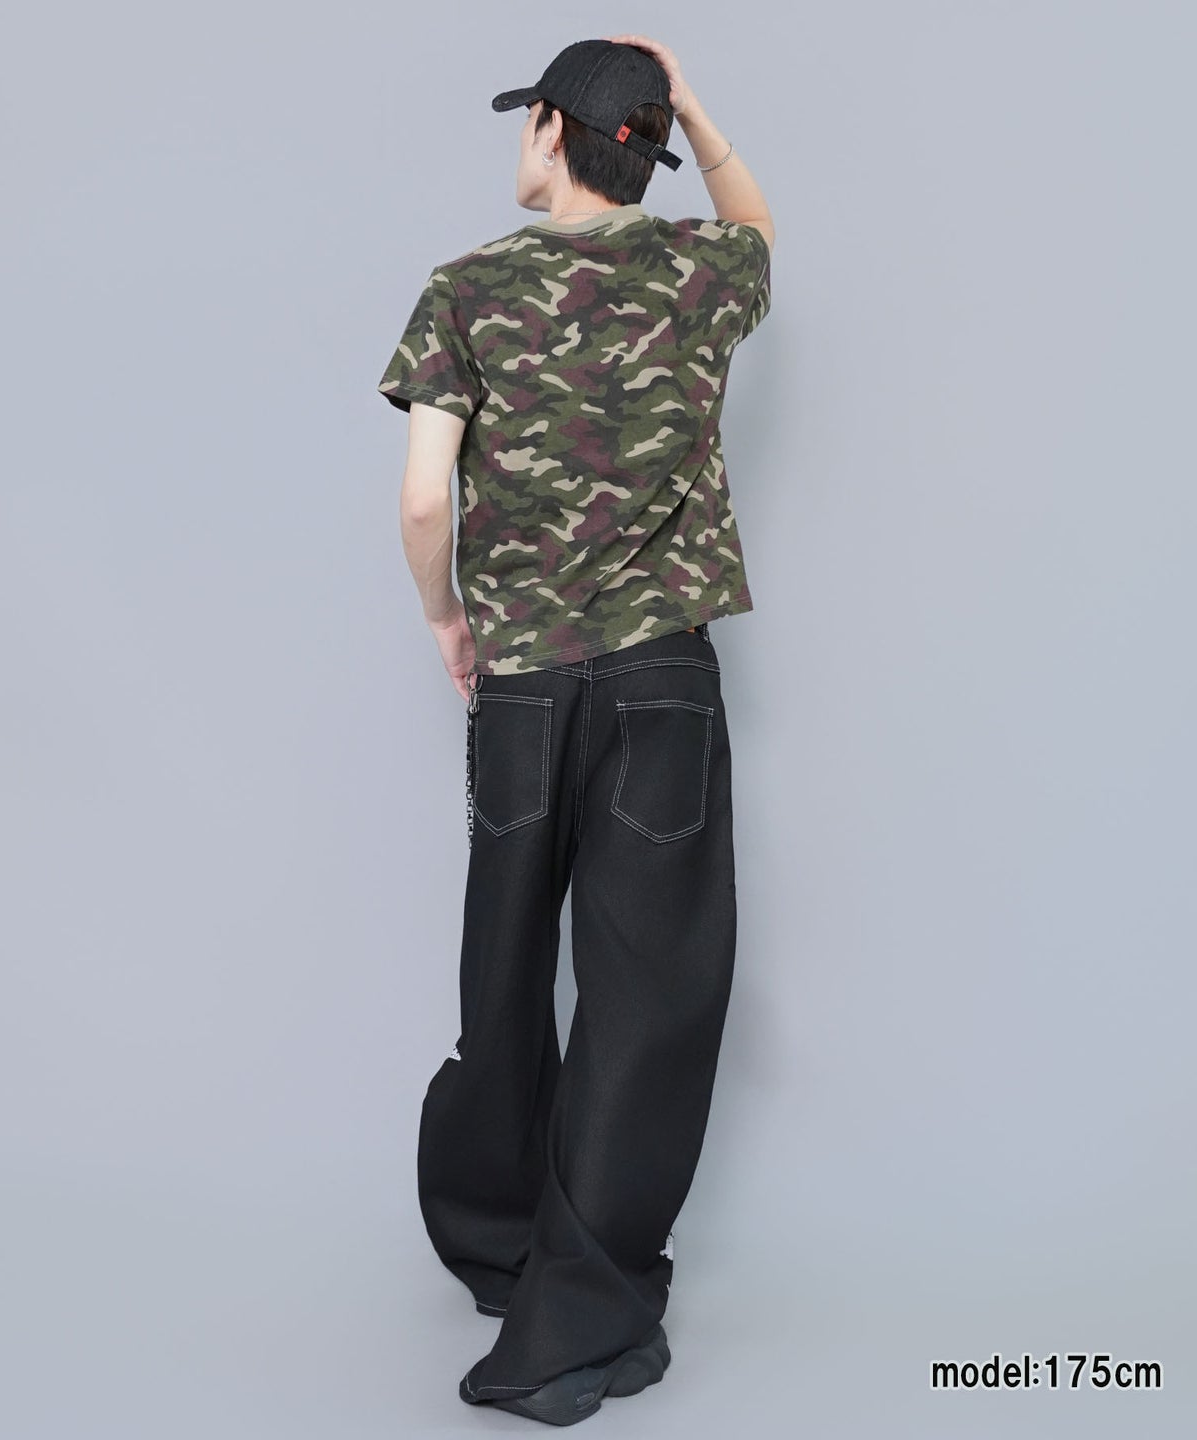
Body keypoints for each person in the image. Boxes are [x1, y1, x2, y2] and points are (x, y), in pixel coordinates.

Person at [376, 33, 774, 1426]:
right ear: (642, 148)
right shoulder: (701, 276)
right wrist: (692, 109)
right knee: (647, 997)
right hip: (659, 683)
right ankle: (581, 1297)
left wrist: (448, 618)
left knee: (502, 970)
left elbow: (424, 499)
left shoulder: (465, 289)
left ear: (551, 130)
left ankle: (502, 1252)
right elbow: (757, 224)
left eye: (527, 121)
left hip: (523, 684)